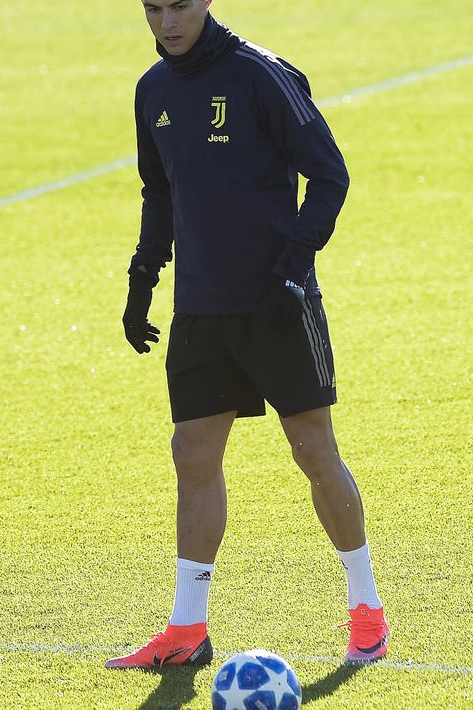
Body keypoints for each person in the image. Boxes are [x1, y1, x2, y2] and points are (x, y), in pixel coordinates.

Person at [105, 0, 389, 669]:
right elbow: (160, 192)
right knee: (192, 454)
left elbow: (329, 175)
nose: (167, 21)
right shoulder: (152, 91)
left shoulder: (259, 76)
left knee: (313, 450)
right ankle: (187, 630)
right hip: (201, 308)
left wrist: (292, 269)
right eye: (153, 8)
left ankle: (366, 610)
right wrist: (143, 277)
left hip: (277, 304)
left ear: (205, 1)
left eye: (178, 6)